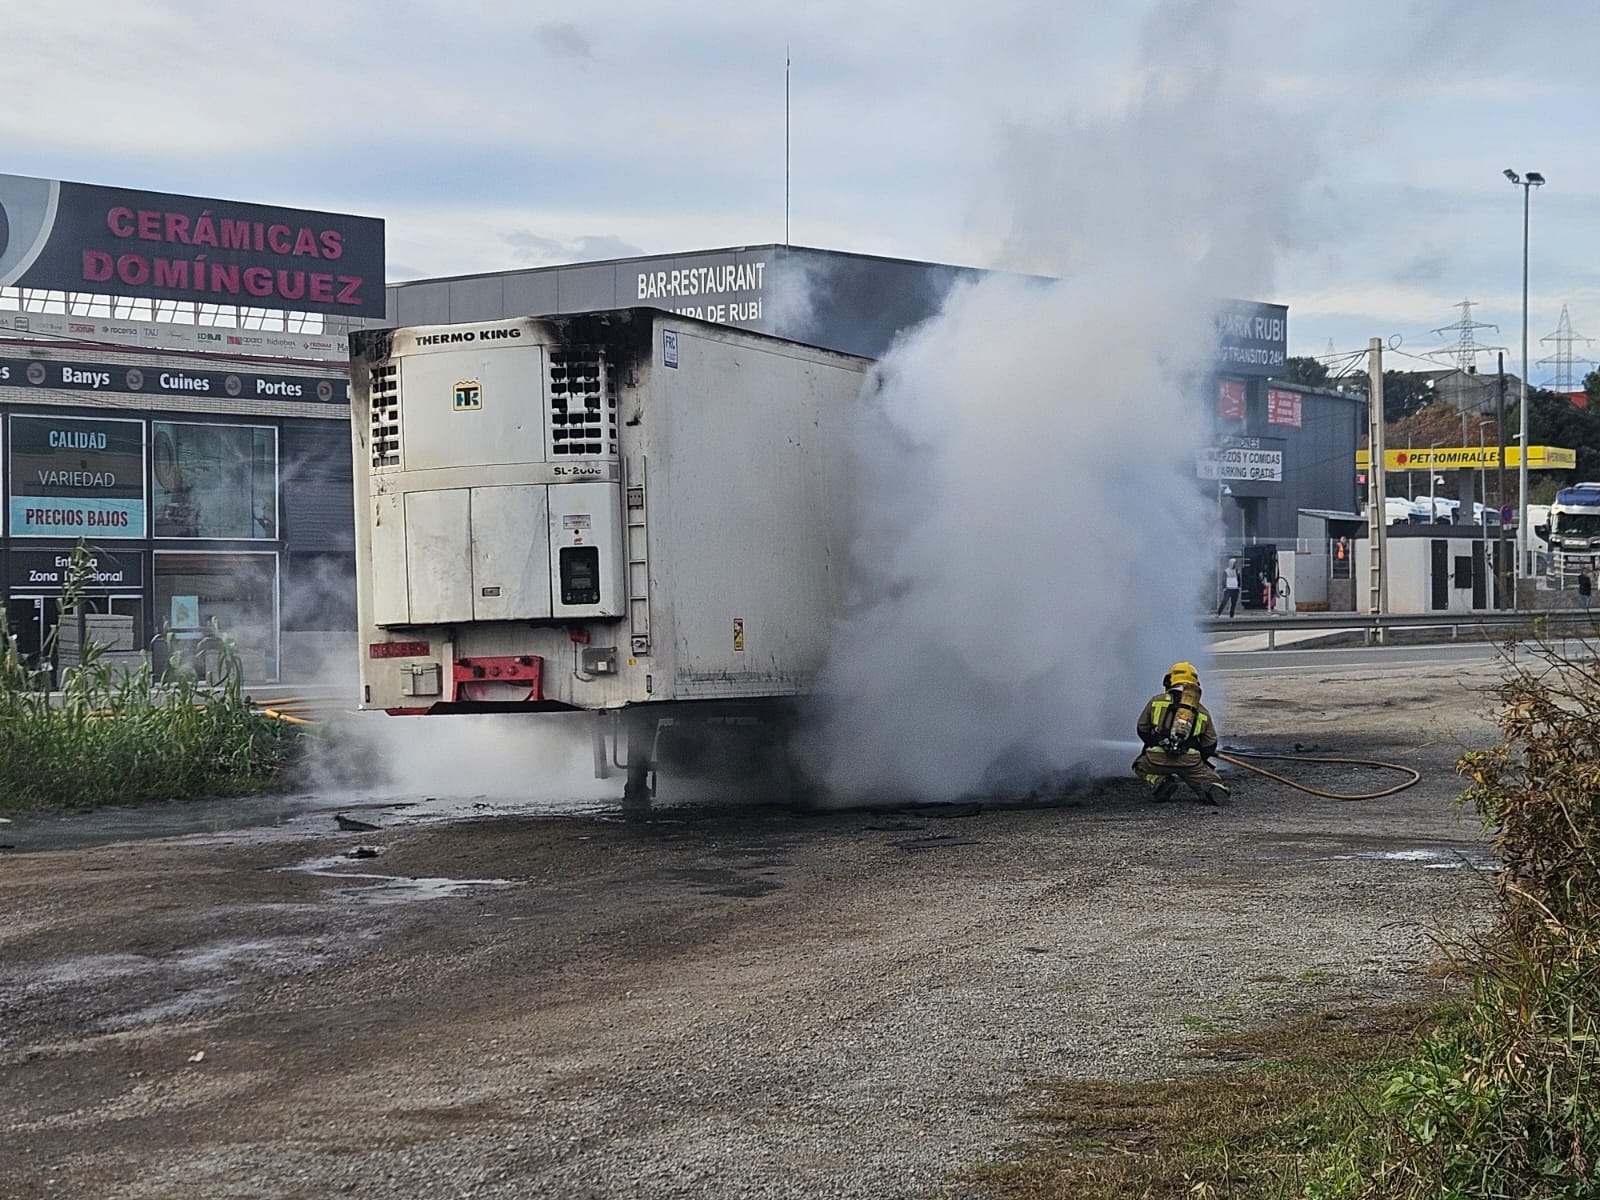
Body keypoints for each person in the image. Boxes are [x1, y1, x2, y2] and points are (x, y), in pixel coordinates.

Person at [1133, 661, 1230, 805]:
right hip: (1190, 761)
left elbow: (1142, 728)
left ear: (1168, 681)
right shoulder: (1202, 710)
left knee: (1139, 766)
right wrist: (1200, 756)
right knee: (1209, 780)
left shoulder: (1156, 701)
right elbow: (1210, 743)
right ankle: (1212, 788)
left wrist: (1155, 743)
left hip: (1156, 759)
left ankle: (1161, 782)